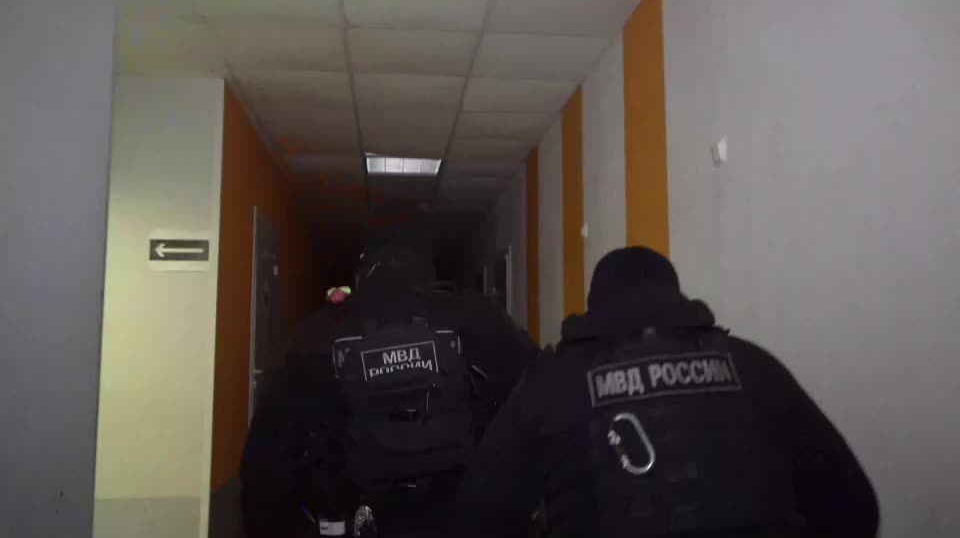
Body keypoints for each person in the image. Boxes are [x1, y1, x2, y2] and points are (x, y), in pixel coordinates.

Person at [452, 247, 879, 538]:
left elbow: (478, 518)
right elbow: (854, 507)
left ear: (597, 304)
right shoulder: (752, 366)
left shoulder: (551, 383)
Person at [240, 203, 539, 538]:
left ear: (364, 259)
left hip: (350, 518)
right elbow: (540, 401)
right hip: (461, 518)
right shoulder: (480, 318)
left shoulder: (316, 334)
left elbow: (267, 461)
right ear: (426, 257)